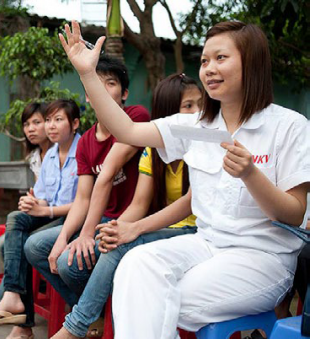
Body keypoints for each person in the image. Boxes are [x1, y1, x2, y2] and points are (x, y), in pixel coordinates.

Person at [59, 21, 310, 338]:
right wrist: (86, 74)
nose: (209, 69)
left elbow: (295, 212)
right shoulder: (196, 126)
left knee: (158, 299)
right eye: (205, 61)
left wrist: (250, 175)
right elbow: (128, 131)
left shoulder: (290, 127)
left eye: (221, 58)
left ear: (252, 62)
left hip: (262, 258)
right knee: (136, 265)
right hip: (205, 245)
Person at [50, 73, 202, 339]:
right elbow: (139, 203)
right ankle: (101, 314)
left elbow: (190, 204)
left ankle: (75, 327)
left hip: (193, 231)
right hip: (158, 229)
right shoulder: (152, 150)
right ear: (168, 112)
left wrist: (130, 231)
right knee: (70, 261)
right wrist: (116, 228)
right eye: (188, 106)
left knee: (120, 246)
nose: (198, 112)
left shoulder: (203, 145)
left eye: (200, 104)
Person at [23, 55, 149, 326]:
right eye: (97, 85)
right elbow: (83, 198)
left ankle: (94, 316)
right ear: (88, 96)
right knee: (36, 246)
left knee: (70, 263)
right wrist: (65, 236)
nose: (103, 90)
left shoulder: (136, 117)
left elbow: (107, 175)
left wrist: (87, 235)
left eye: (111, 84)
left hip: (132, 220)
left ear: (124, 93)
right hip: (101, 218)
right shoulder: (86, 142)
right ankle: (97, 314)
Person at [0, 99, 81, 339]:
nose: (50, 126)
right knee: (16, 218)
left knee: (24, 244)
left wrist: (45, 210)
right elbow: (43, 198)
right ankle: (13, 298)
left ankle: (22, 324)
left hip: (75, 219)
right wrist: (32, 203)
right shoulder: (49, 157)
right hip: (52, 216)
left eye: (57, 120)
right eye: (47, 120)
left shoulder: (83, 151)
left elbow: (84, 203)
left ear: (75, 124)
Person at [0, 102, 53, 261]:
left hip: (58, 214)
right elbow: (40, 193)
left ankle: (14, 286)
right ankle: (16, 285)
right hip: (42, 212)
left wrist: (38, 202)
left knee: (17, 242)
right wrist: (31, 200)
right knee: (1, 245)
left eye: (36, 122)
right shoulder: (34, 156)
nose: (30, 129)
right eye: (26, 124)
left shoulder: (62, 153)